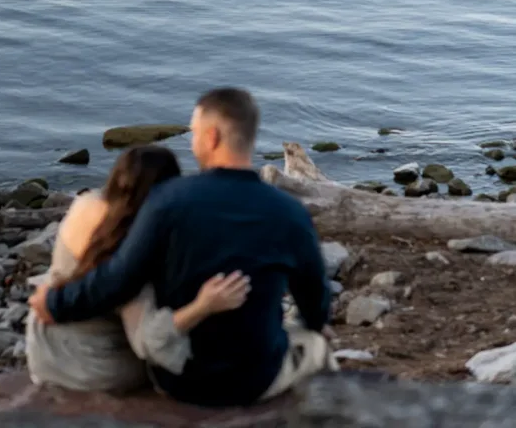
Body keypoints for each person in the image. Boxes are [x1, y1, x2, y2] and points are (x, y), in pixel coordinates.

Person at [30, 89, 334, 407]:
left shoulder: (168, 202)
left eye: (194, 133)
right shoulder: (290, 212)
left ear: (212, 136)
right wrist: (313, 325)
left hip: (179, 378)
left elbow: (118, 279)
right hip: (255, 380)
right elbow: (314, 301)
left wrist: (56, 302)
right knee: (313, 341)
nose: (192, 143)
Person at [26, 143, 250, 391]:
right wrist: (204, 305)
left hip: (43, 342)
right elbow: (148, 342)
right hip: (94, 366)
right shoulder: (130, 251)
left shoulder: (85, 203)